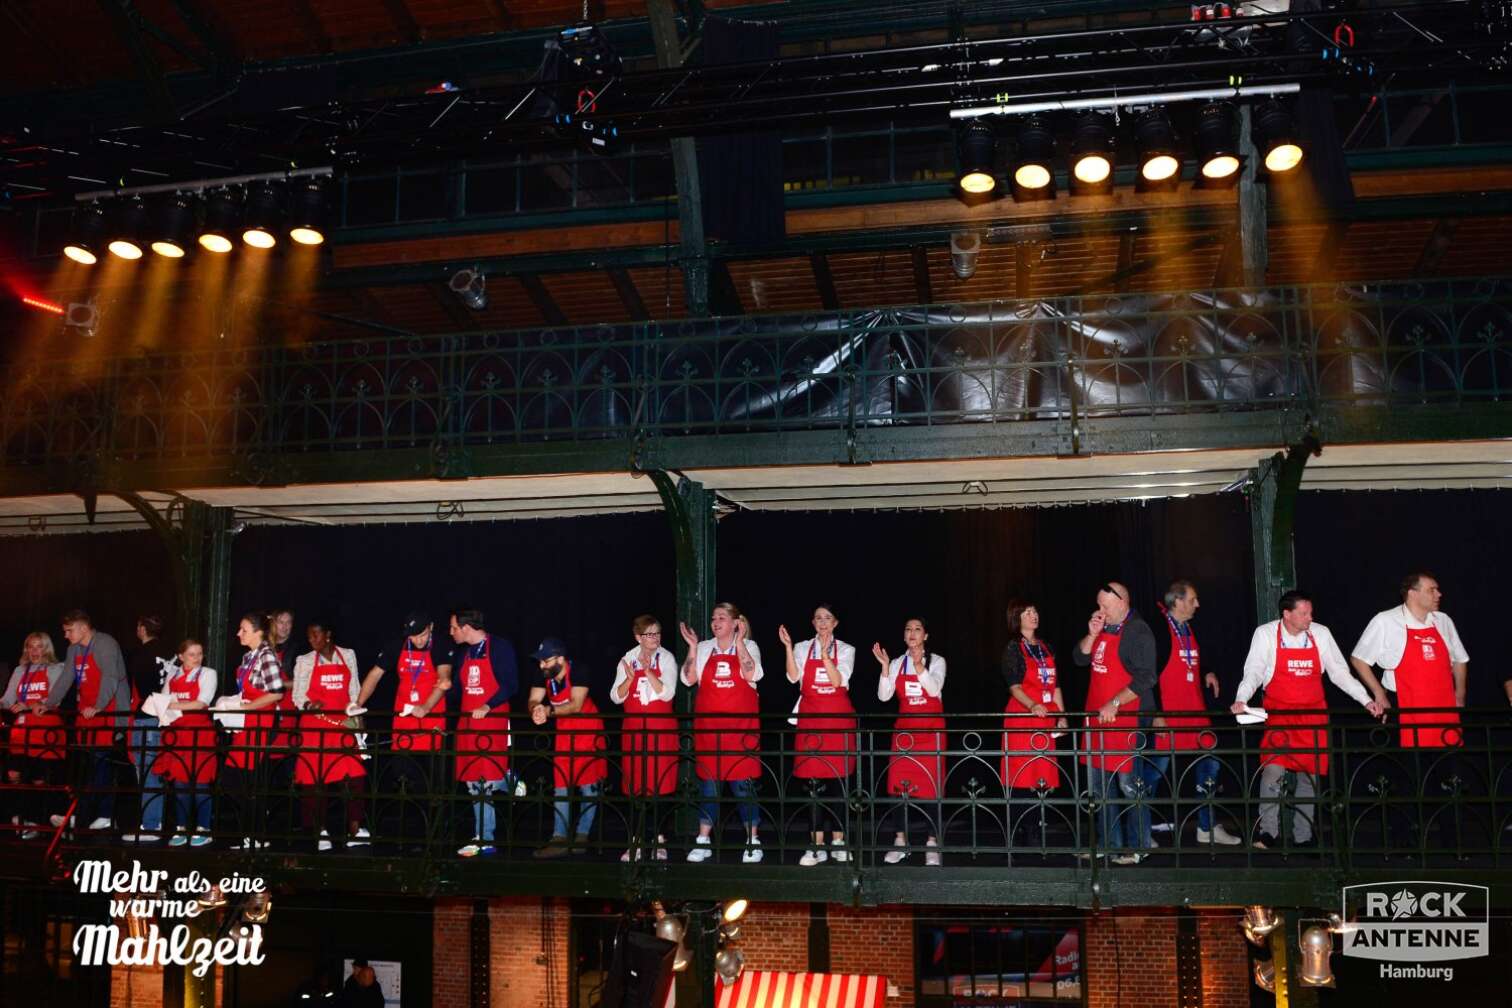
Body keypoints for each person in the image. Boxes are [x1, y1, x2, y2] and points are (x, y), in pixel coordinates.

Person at [1232, 590, 1385, 849]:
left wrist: (1366, 700)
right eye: (1304, 613)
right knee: (1272, 772)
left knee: (1310, 778)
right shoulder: (1266, 634)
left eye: (1311, 612)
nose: (1309, 618)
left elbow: (1339, 672)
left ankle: (1304, 837)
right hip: (1280, 716)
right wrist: (1241, 699)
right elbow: (1254, 670)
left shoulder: (1321, 634)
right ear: (1287, 614)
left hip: (1313, 716)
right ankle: (1268, 833)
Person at [1348, 572, 1470, 843]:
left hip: (1443, 710)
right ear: (1412, 593)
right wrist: (1379, 693)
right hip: (1406, 709)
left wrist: (1459, 693)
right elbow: (1358, 659)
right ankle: (1406, 843)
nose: (1439, 595)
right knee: (1406, 781)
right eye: (1432, 590)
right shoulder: (1386, 620)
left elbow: (1459, 659)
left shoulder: (1443, 621)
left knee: (1450, 781)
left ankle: (1455, 841)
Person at [1141, 581, 1241, 846]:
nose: (1197, 604)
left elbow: (1194, 658)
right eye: (1193, 599)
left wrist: (1206, 670)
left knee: (1211, 764)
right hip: (1168, 714)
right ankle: (1139, 831)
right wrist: (1157, 713)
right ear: (1178, 601)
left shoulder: (1187, 628)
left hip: (1195, 712)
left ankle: (1206, 828)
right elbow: (1148, 673)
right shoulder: (1159, 630)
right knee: (1153, 772)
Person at [1072, 583, 1157, 864]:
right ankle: (1108, 846)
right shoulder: (1103, 629)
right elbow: (1079, 658)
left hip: (1125, 722)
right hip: (1097, 722)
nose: (1101, 611)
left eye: (1105, 606)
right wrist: (1091, 634)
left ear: (1123, 602)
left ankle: (1139, 846)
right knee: (1099, 790)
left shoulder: (1138, 631)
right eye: (1098, 605)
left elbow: (1146, 677)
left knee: (1130, 786)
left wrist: (1115, 703)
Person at [357, 611, 452, 850]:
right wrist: (357, 704)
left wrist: (426, 707)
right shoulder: (396, 646)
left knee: (431, 785)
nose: (418, 640)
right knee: (403, 780)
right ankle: (406, 835)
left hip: (432, 725)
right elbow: (374, 675)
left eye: (421, 635)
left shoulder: (440, 645)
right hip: (403, 725)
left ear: (430, 627)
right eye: (413, 636)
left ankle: (434, 837)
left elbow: (444, 678)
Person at [680, 602, 765, 864]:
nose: (715, 622)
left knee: (743, 788)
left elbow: (753, 673)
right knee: (709, 787)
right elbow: (688, 678)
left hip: (740, 734)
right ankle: (703, 841)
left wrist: (740, 642)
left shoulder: (749, 647)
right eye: (714, 618)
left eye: (722, 618)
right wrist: (693, 647)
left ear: (735, 623)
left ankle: (753, 841)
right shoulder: (705, 648)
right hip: (710, 733)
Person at [779, 605, 857, 866]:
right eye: (818, 618)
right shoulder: (802, 647)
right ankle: (815, 845)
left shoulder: (846, 650)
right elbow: (792, 677)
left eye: (828, 618)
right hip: (810, 722)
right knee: (812, 786)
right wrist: (789, 648)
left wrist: (825, 656)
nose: (823, 623)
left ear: (835, 622)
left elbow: (838, 681)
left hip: (837, 723)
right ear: (813, 622)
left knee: (839, 784)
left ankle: (839, 841)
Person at [292, 620, 369, 851]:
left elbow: (354, 689)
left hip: (343, 724)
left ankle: (356, 829)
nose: (312, 640)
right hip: (315, 726)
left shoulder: (348, 655)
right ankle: (321, 831)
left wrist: (358, 717)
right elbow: (297, 695)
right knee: (315, 781)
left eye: (316, 635)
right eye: (309, 637)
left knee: (355, 776)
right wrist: (307, 704)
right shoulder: (304, 661)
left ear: (328, 635)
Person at [528, 637, 608, 859]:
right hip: (564, 730)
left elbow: (576, 704)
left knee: (589, 784)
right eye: (540, 661)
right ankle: (559, 838)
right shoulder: (542, 673)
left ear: (561, 659)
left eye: (546, 661)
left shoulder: (580, 670)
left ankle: (582, 835)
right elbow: (534, 699)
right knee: (561, 782)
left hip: (588, 727)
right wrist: (536, 710)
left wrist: (548, 711)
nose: (542, 665)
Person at [875, 617, 945, 866]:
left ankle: (932, 844)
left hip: (931, 733)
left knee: (931, 790)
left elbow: (934, 689)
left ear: (925, 635)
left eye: (917, 629)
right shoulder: (896, 663)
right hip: (904, 734)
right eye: (908, 629)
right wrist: (885, 667)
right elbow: (884, 697)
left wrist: (919, 666)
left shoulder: (937, 661)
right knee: (897, 789)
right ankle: (900, 841)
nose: (912, 633)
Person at [449, 609, 518, 858]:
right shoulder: (463, 654)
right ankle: (508, 779)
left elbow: (511, 684)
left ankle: (485, 838)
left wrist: (487, 705)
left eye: (454, 627)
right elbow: (458, 691)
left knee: (483, 782)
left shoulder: (500, 647)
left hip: (492, 722)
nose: (451, 632)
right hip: (467, 725)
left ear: (467, 627)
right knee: (471, 781)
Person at [609, 615, 678, 861]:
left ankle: (659, 840)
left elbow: (668, 693)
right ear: (638, 637)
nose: (655, 638)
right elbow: (616, 697)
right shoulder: (627, 658)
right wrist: (629, 678)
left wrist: (648, 672)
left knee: (660, 787)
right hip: (635, 730)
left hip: (661, 729)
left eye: (658, 633)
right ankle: (635, 841)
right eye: (650, 634)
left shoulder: (667, 657)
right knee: (635, 787)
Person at [1000, 600, 1068, 848]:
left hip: (1046, 718)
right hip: (1022, 719)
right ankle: (1020, 831)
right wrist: (1032, 705)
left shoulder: (1046, 646)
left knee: (1043, 776)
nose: (1034, 615)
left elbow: (1056, 685)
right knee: (1021, 777)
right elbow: (1014, 687)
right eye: (1027, 613)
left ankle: (1036, 827)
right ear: (1017, 619)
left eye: (1035, 611)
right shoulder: (1013, 648)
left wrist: (1062, 716)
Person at [58, 610, 129, 833]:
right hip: (87, 715)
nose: (66, 635)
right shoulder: (73, 649)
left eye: (69, 631)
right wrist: (48, 702)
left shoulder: (105, 643)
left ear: (84, 628)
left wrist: (98, 706)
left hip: (107, 712)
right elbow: (66, 678)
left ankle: (101, 815)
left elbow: (111, 677)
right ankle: (84, 815)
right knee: (89, 766)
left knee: (101, 765)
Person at [221, 612, 286, 849]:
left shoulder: (266, 656)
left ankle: (257, 835)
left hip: (262, 723)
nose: (239, 633)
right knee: (236, 779)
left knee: (247, 780)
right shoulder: (249, 656)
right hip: (247, 722)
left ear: (258, 632)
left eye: (243, 629)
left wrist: (243, 706)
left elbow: (277, 693)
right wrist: (230, 703)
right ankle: (254, 832)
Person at [150, 639, 217, 847]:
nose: (197, 658)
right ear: (180, 656)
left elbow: (202, 702)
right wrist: (169, 704)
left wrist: (172, 704)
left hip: (200, 734)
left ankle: (204, 828)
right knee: (180, 784)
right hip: (177, 735)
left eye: (200, 653)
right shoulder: (173, 674)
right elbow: (161, 699)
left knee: (201, 783)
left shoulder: (208, 674)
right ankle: (181, 827)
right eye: (192, 654)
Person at [4, 633, 71, 839]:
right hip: (21, 732)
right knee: (14, 775)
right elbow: (8, 700)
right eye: (30, 647)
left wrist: (30, 704)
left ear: (47, 649)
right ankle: (24, 819)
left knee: (40, 779)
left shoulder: (56, 669)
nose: (34, 651)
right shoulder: (19, 670)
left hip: (45, 731)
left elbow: (55, 699)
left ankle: (50, 820)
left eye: (39, 647)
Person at [125, 615, 175, 843]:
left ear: (142, 629)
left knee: (147, 770)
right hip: (166, 717)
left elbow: (141, 689)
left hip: (147, 716)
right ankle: (156, 821)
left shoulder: (141, 655)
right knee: (156, 770)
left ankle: (151, 825)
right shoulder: (169, 653)